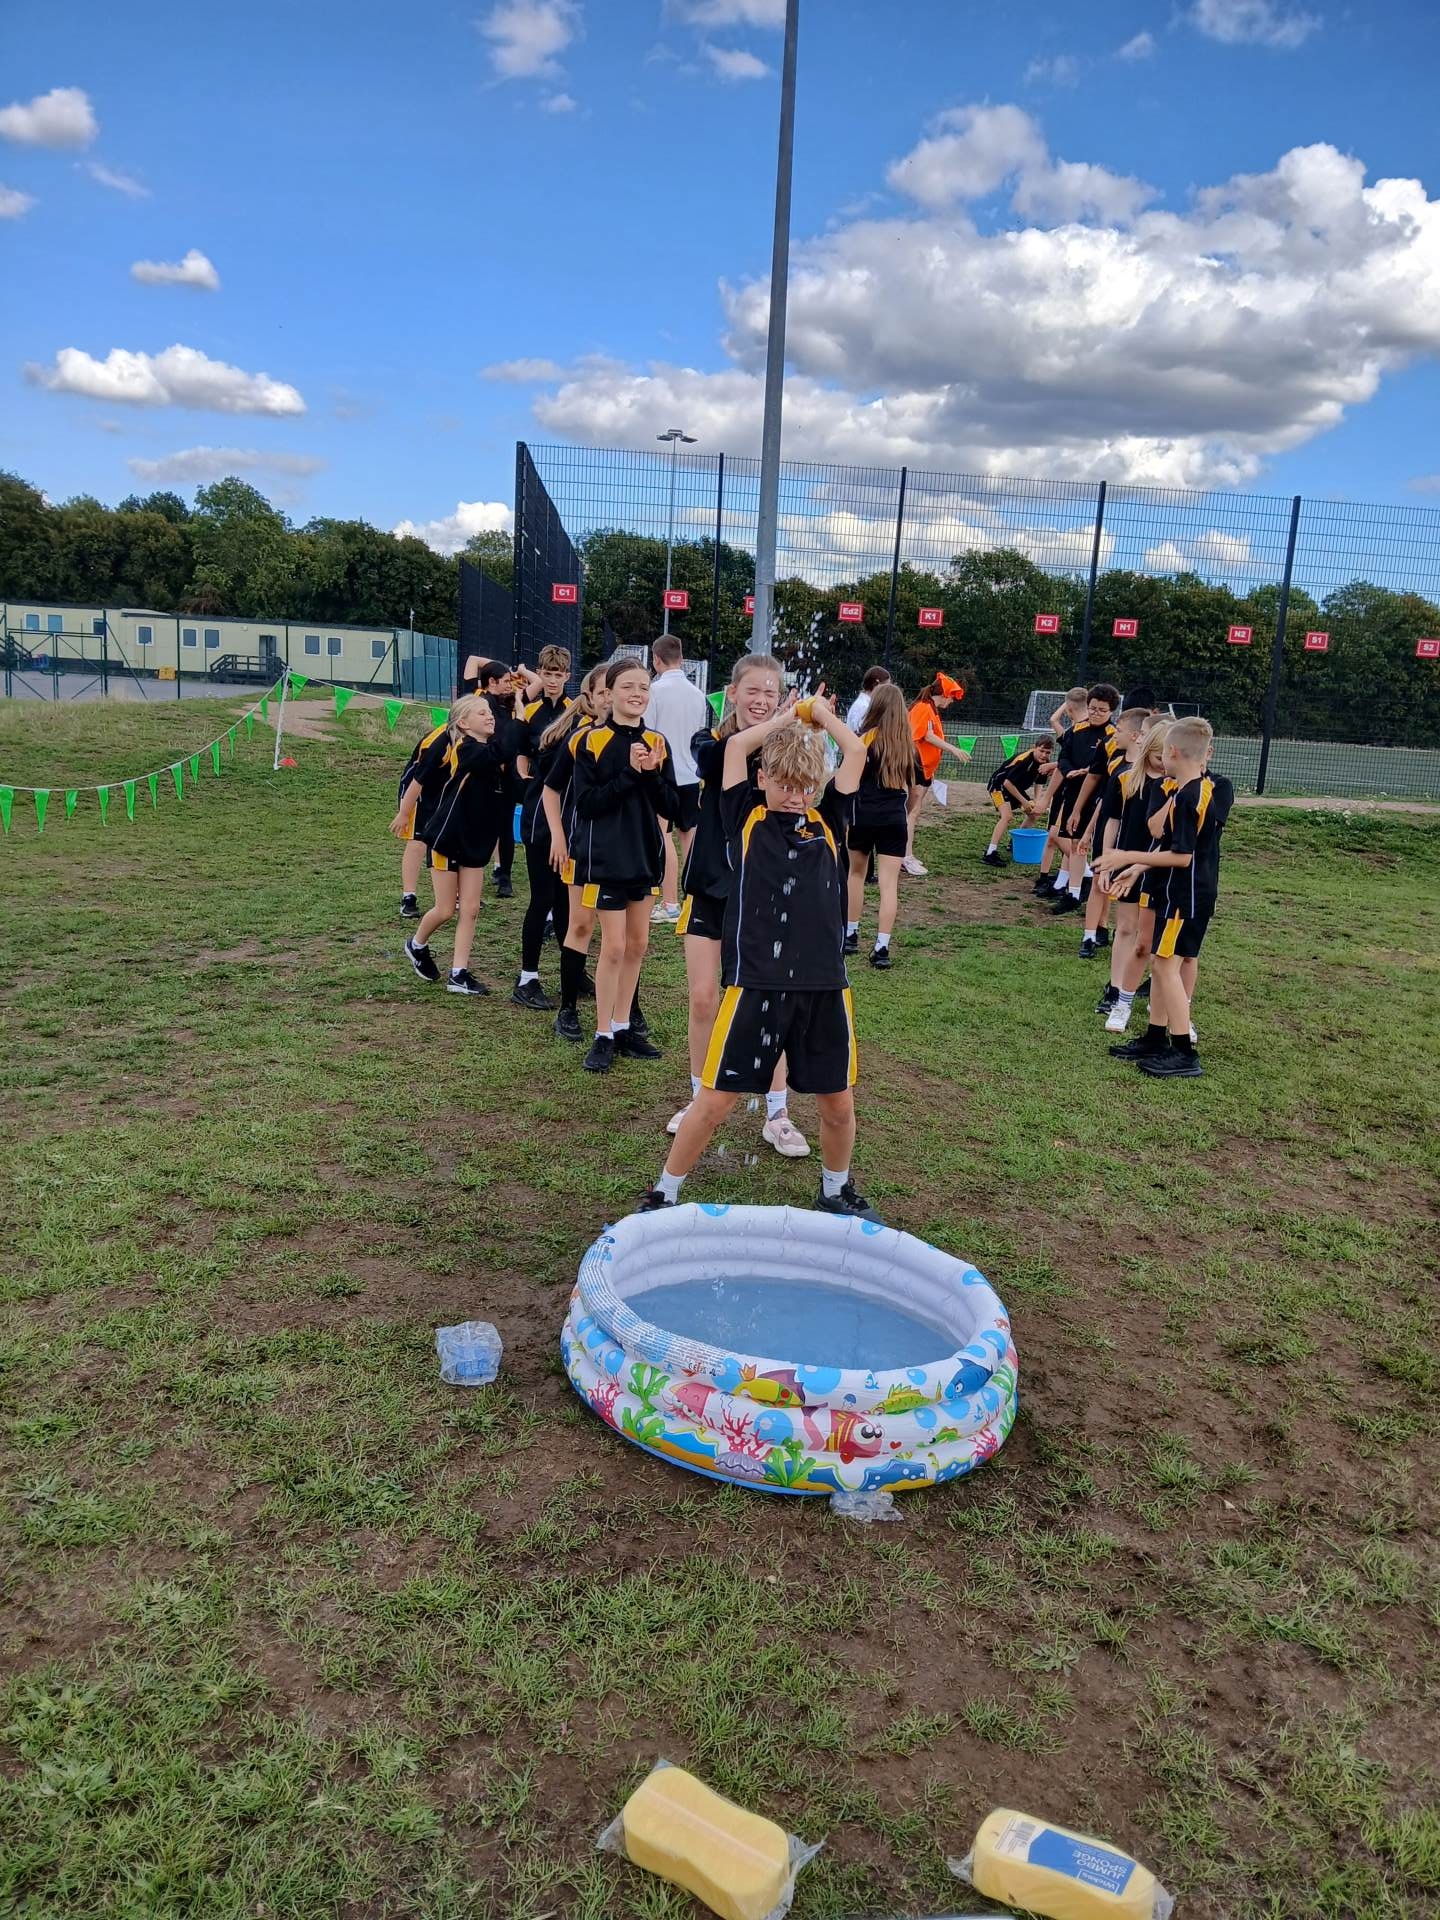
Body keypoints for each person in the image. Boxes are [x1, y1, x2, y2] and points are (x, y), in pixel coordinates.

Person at [638, 695, 879, 1220]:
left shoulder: (828, 820)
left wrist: (821, 716)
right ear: (763, 779)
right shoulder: (743, 817)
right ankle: (663, 1193)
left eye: (805, 787)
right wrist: (788, 719)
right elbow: (734, 749)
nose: (795, 796)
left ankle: (836, 1189)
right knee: (716, 1100)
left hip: (825, 988)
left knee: (838, 1103)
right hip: (755, 984)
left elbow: (857, 751)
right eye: (785, 784)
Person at [671, 653, 811, 1160]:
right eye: (753, 690)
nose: (761, 699)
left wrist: (798, 728)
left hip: (765, 896)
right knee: (704, 999)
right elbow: (723, 757)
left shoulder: (788, 747)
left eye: (772, 692)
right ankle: (697, 1100)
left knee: (768, 1004)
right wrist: (782, 720)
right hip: (710, 891)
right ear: (731, 693)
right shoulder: (708, 741)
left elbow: (811, 789)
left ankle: (777, 1113)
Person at [1094, 717, 1234, 1078]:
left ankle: (1184, 1052)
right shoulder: (1186, 790)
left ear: (1172, 752)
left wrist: (1126, 855)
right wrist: (1136, 867)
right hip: (1176, 892)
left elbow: (1182, 857)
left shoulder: (1191, 795)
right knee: (1160, 964)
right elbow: (1162, 838)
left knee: (1166, 967)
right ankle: (1155, 1038)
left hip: (1186, 896)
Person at [569, 657, 678, 1074]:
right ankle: (602, 1034)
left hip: (643, 858)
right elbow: (587, 804)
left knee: (637, 945)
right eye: (628, 686)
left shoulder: (657, 742)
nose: (637, 694)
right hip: (604, 861)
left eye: (644, 687)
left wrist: (650, 774)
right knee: (613, 947)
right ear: (608, 693)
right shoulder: (590, 740)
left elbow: (671, 805)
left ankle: (622, 1026)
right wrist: (631, 774)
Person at [391, 695, 502, 997]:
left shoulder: (489, 750)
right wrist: (404, 812)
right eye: (482, 712)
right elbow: (418, 778)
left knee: (471, 908)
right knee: (445, 909)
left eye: (491, 711)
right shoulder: (462, 748)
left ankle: (458, 974)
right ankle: (417, 945)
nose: (490, 715)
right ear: (463, 723)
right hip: (446, 838)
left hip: (473, 840)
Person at [541, 666, 609, 1042]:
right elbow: (550, 789)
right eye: (603, 692)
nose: (610, 699)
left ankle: (627, 1014)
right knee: (580, 926)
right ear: (591, 698)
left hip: (625, 855)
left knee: (626, 940)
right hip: (582, 847)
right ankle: (567, 1010)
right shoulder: (580, 738)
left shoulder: (645, 739)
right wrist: (558, 835)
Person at [1097, 717, 1169, 1034]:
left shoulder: (1176, 786)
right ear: (1147, 750)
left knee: (1154, 936)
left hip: (1161, 866)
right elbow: (1112, 820)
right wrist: (1106, 861)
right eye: (1157, 757)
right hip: (1126, 863)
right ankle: (1116, 991)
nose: (1163, 763)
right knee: (1126, 928)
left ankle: (1158, 992)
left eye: (1167, 757)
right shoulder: (1125, 778)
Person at [511, 645, 573, 1009]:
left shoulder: (574, 711)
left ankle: (572, 971)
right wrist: (527, 781)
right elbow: (518, 755)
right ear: (540, 673)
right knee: (542, 899)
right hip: (538, 816)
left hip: (568, 816)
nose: (551, 680)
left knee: (566, 901)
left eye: (558, 674)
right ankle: (527, 978)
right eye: (547, 673)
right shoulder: (530, 711)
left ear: (567, 676)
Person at [844, 683, 914, 969]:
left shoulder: (863, 740)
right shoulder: (907, 745)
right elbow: (917, 790)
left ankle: (850, 935)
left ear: (876, 706)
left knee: (855, 873)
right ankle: (882, 947)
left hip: (862, 815)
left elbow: (848, 780)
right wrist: (904, 810)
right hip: (894, 819)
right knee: (889, 884)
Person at [644, 636, 710, 923]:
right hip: (691, 774)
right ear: (681, 658)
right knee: (690, 836)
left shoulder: (654, 691)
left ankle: (670, 903)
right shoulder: (697, 694)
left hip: (664, 775)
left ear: (656, 659)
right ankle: (693, 901)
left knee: (664, 836)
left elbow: (648, 734)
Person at [1078, 705, 1150, 958]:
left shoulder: (1152, 769)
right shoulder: (1117, 763)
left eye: (1118, 730)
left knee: (1130, 889)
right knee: (1099, 882)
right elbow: (1106, 806)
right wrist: (1088, 831)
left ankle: (1128, 936)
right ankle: (1089, 937)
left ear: (1135, 735)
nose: (1114, 734)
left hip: (1133, 840)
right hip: (1107, 833)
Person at [1048, 683, 1121, 914]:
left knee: (1095, 845)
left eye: (1102, 710)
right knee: (1074, 842)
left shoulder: (1114, 736)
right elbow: (1064, 756)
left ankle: (1101, 898)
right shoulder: (1076, 730)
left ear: (1111, 711)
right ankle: (1074, 893)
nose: (1096, 713)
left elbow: (1113, 769)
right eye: (1092, 708)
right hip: (1074, 793)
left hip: (1101, 797)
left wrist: (1090, 771)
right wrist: (1070, 771)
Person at [904, 673, 971, 876]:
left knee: (913, 811)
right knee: (912, 811)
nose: (951, 702)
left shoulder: (930, 708)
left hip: (924, 767)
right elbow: (927, 736)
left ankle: (905, 854)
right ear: (944, 694)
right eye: (951, 697)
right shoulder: (924, 707)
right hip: (917, 765)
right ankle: (905, 856)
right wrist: (954, 749)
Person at [396, 717, 449, 919]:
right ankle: (408, 898)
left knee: (447, 841)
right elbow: (417, 780)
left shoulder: (476, 739)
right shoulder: (437, 743)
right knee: (417, 843)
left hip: (443, 794)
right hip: (418, 793)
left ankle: (455, 895)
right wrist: (404, 813)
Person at [982, 735, 1055, 865]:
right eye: (1041, 751)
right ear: (1034, 747)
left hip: (1015, 788)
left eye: (1048, 752)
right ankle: (990, 853)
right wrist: (1024, 802)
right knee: (1007, 816)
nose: (1044, 755)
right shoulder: (1024, 760)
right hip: (998, 786)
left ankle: (1015, 844)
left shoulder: (1046, 764)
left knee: (1034, 814)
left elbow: (1039, 783)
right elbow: (1007, 783)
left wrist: (1037, 801)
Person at [847, 664, 890, 733]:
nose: (888, 691)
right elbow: (860, 734)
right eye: (886, 687)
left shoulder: (865, 704)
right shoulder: (864, 707)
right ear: (876, 685)